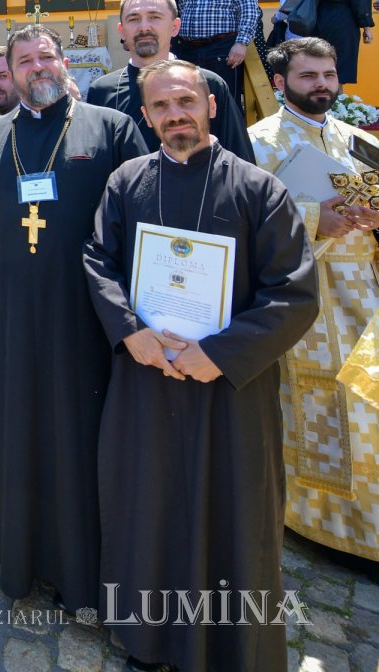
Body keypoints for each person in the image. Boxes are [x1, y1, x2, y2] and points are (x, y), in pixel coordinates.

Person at [84, 58, 318, 671]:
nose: (174, 115)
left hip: (228, 391)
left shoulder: (258, 188)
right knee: (146, 501)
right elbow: (99, 261)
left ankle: (228, 645)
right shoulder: (127, 182)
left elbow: (293, 293)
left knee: (232, 510)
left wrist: (218, 353)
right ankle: (147, 638)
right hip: (146, 376)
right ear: (146, 116)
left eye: (184, 101)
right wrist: (130, 333)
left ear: (211, 105)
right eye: (160, 107)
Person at [0, 25, 147, 613]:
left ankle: (83, 568)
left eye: (46, 57)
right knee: (16, 429)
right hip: (9, 313)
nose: (36, 67)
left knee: (77, 432)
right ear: (9, 72)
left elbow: (141, 214)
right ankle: (23, 559)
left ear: (64, 64)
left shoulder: (109, 128)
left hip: (84, 313)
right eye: (23, 60)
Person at [250, 37, 379, 571]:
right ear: (280, 83)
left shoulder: (359, 140)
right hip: (308, 297)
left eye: (328, 74)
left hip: (366, 292)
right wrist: (311, 219)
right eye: (309, 77)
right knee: (322, 406)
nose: (323, 85)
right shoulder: (258, 144)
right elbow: (248, 224)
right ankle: (317, 522)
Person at [87, 0, 255, 162]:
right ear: (121, 31)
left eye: (155, 17)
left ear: (175, 27)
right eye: (134, 19)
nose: (144, 27)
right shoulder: (102, 91)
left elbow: (240, 161)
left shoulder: (207, 83)